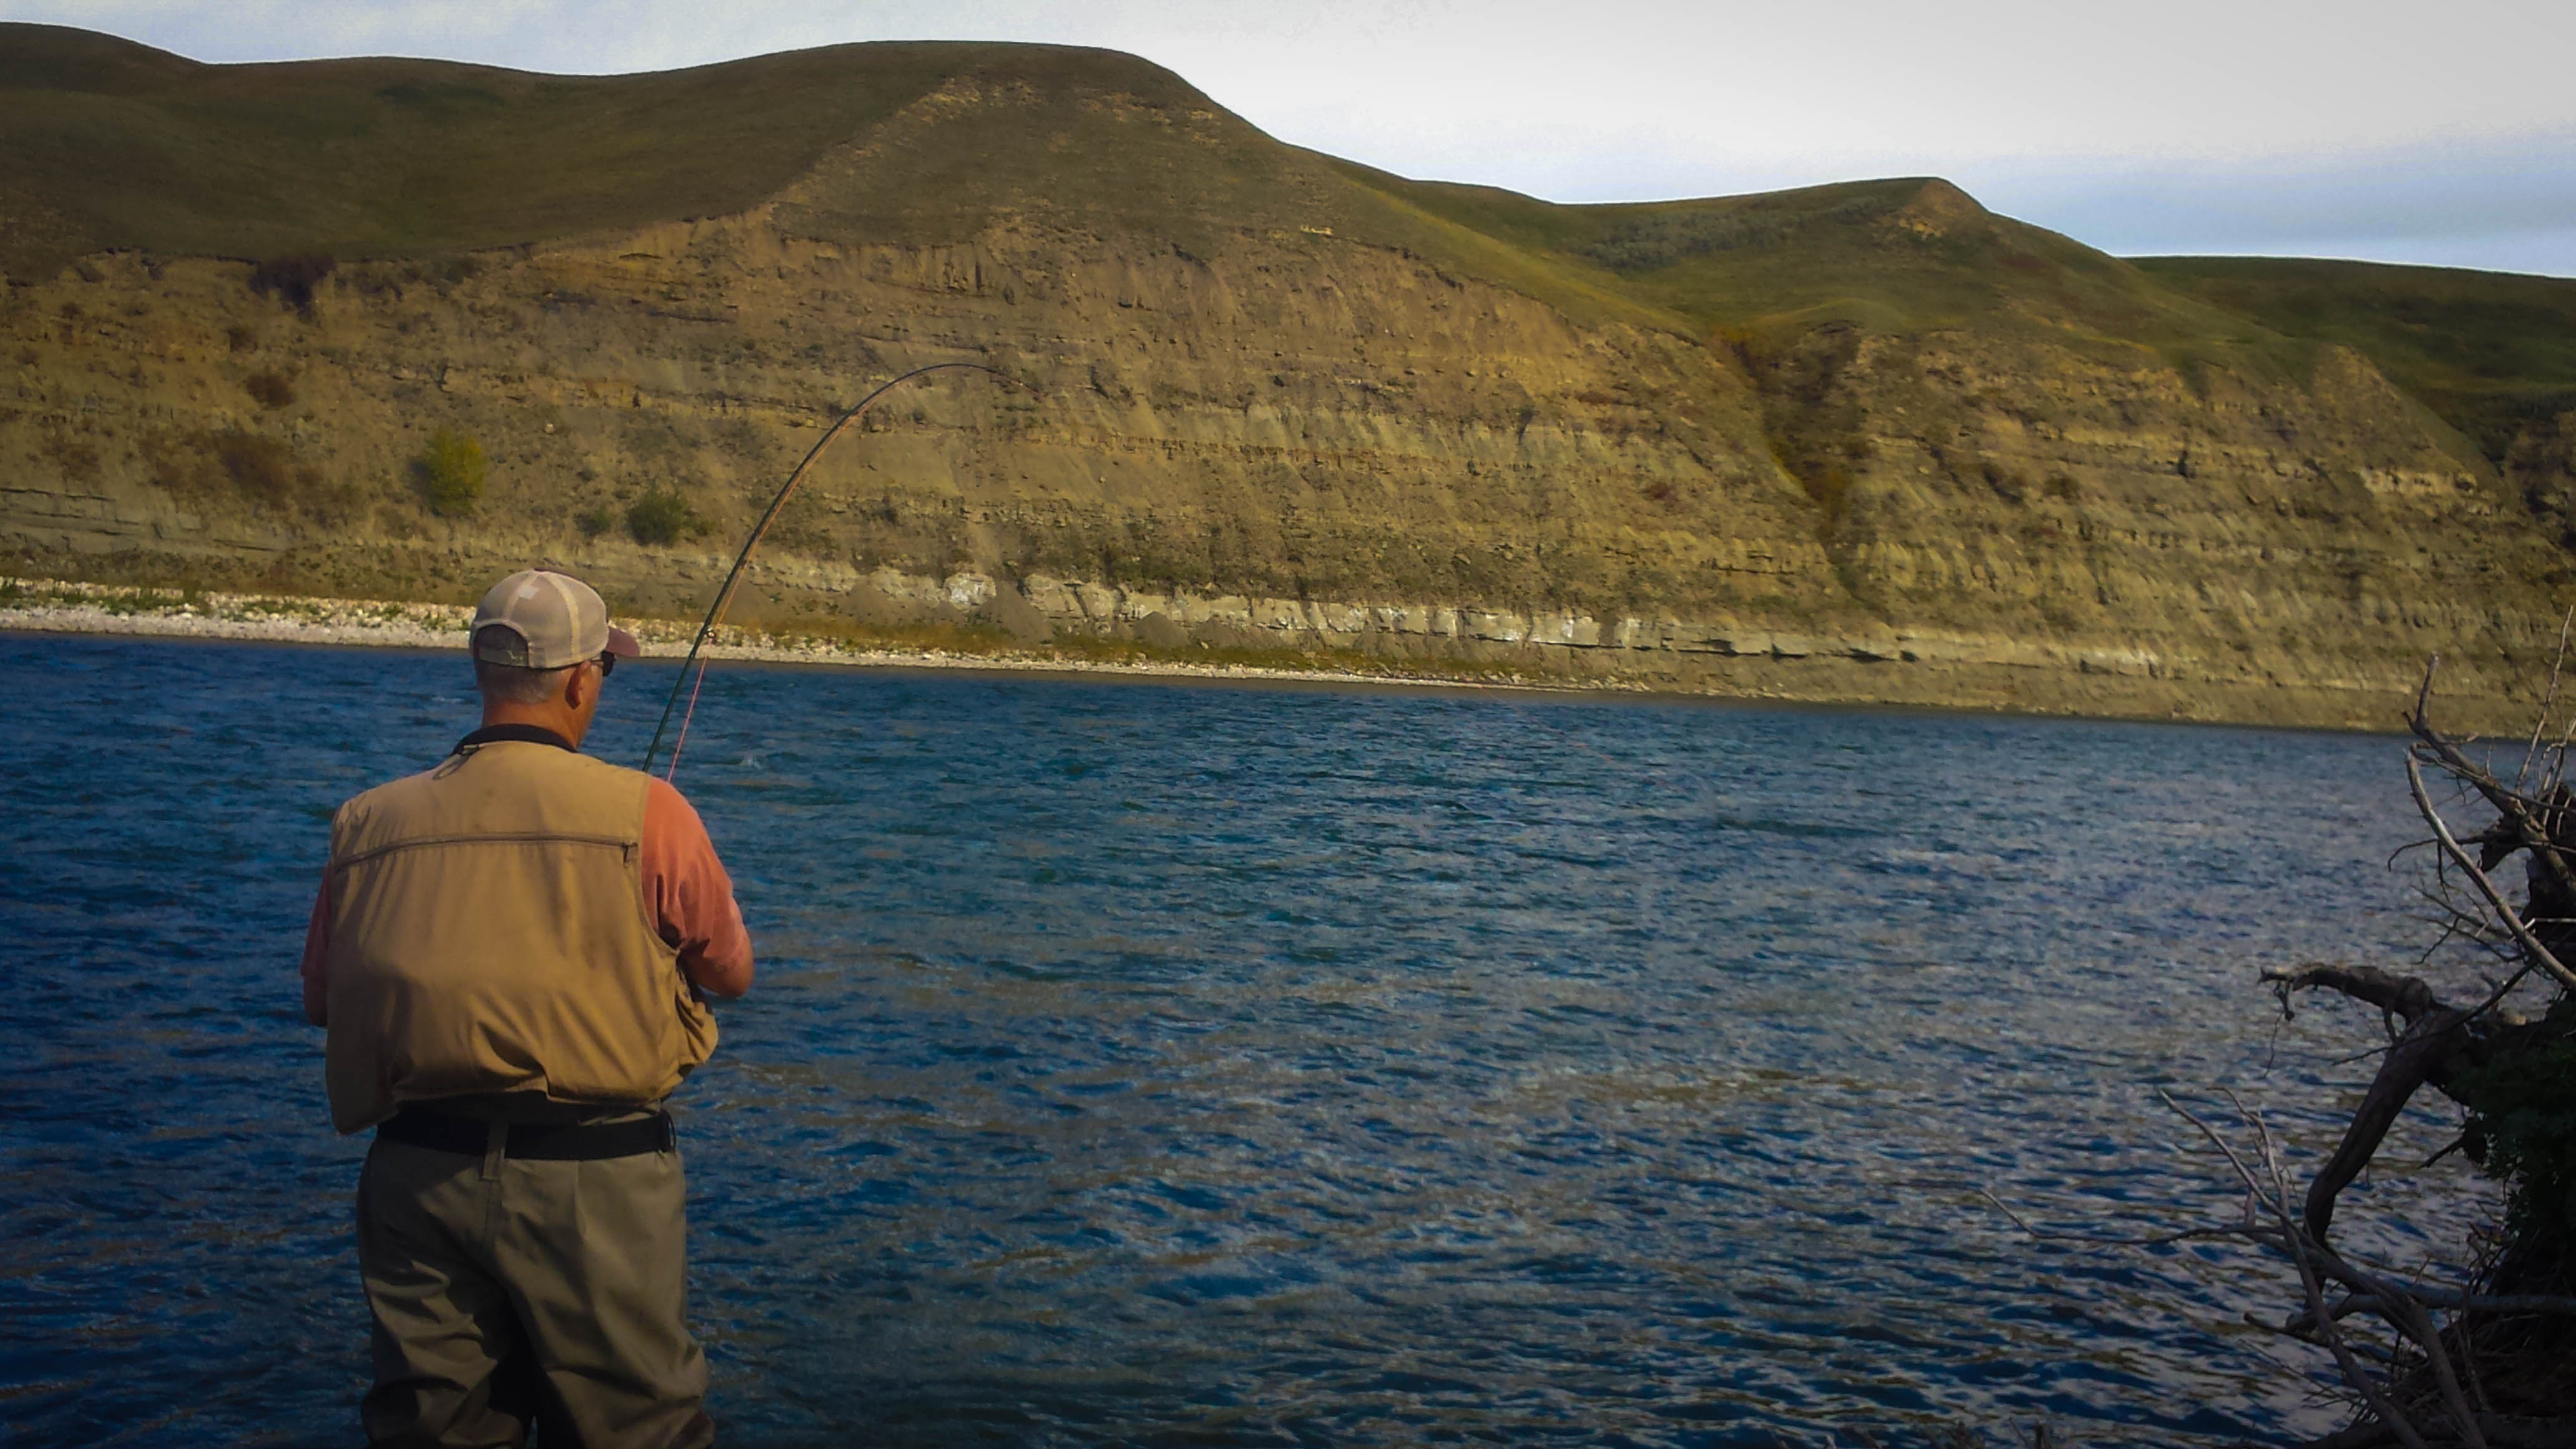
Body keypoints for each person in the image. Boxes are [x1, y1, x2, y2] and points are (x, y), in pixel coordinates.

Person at [300, 567, 755, 1448]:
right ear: (584, 679)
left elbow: (323, 1001)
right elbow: (731, 972)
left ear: (483, 672)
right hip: (597, 1181)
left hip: (414, 1174)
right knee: (638, 1429)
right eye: (604, 672)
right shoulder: (651, 810)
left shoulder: (364, 822)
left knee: (433, 1430)